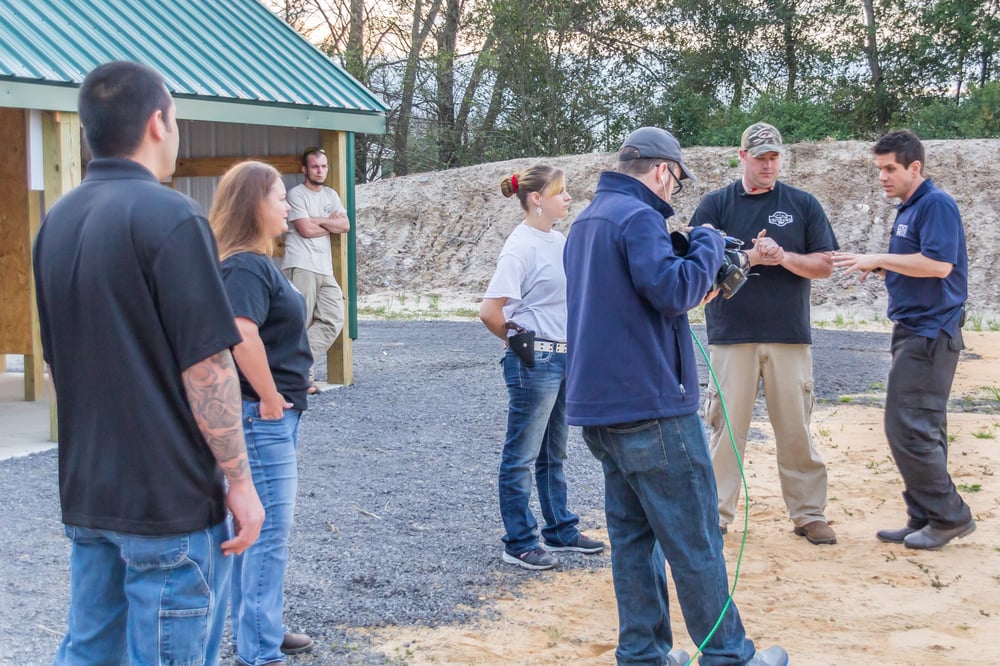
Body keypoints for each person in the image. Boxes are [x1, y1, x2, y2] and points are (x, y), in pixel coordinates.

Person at [32, 61, 264, 665]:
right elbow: (208, 365)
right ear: (158, 122)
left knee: (89, 651)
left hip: (89, 493)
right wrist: (239, 481)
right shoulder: (173, 216)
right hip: (167, 503)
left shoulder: (55, 223)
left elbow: (58, 368)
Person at [563, 126, 787, 666]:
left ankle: (642, 654)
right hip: (654, 409)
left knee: (635, 542)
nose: (673, 194)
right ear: (664, 170)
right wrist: (708, 240)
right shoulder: (640, 217)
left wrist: (689, 258)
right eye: (676, 181)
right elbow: (673, 293)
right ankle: (729, 655)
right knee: (694, 542)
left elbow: (640, 297)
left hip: (604, 413)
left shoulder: (586, 221)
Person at [690, 122, 839, 545]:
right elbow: (698, 267)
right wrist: (750, 257)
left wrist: (784, 256)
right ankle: (715, 515)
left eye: (774, 157)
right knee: (726, 430)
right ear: (742, 157)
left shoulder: (802, 204)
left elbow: (826, 264)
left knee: (795, 428)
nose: (768, 165)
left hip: (788, 336)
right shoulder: (715, 206)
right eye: (760, 158)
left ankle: (808, 512)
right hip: (730, 335)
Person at [833, 130, 976, 550]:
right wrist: (881, 268)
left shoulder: (936, 204)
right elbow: (917, 263)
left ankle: (950, 516)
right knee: (922, 427)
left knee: (907, 427)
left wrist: (878, 258)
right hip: (914, 329)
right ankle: (924, 516)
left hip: (931, 333)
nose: (882, 177)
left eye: (890, 168)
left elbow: (938, 266)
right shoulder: (910, 208)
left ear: (915, 167)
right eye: (879, 169)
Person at [210, 162, 315, 663]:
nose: (287, 207)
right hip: (261, 417)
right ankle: (258, 649)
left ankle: (263, 630)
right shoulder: (246, 265)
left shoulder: (254, 263)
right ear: (255, 205)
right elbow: (241, 334)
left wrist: (294, 377)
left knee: (263, 532)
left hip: (270, 414)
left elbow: (267, 334)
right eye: (278, 198)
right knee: (264, 534)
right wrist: (271, 395)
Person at [479, 166, 606, 570]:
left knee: (554, 452)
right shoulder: (520, 247)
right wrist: (521, 347)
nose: (568, 197)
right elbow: (489, 311)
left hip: (564, 356)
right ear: (537, 198)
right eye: (561, 191)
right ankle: (518, 541)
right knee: (522, 454)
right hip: (536, 360)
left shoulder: (558, 239)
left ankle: (560, 530)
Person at [278, 147, 351, 391]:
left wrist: (317, 220)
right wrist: (329, 224)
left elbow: (345, 225)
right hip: (301, 265)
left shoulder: (331, 195)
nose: (320, 171)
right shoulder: (296, 195)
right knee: (300, 321)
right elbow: (305, 230)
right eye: (315, 167)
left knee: (333, 317)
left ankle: (295, 366)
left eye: (324, 166)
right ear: (304, 169)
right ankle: (298, 378)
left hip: (324, 268)